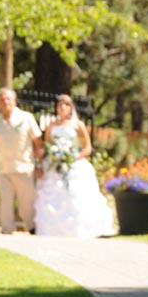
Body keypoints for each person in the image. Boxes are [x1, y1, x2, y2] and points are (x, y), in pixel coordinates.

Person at [34, 94, 115, 238]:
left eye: (66, 105)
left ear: (70, 108)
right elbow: (46, 146)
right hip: (55, 164)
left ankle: (79, 229)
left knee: (76, 195)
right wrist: (51, 158)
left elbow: (88, 147)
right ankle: (53, 230)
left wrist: (73, 158)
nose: (62, 108)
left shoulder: (78, 125)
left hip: (74, 164)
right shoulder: (51, 126)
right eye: (60, 105)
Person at [0, 88, 43, 234]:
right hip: (3, 170)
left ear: (14, 101)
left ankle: (32, 229)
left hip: (24, 169)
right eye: (2, 100)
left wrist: (40, 165)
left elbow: (38, 143)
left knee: (27, 205)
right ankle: (6, 231)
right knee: (5, 204)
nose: (5, 102)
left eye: (8, 99)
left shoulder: (27, 118)